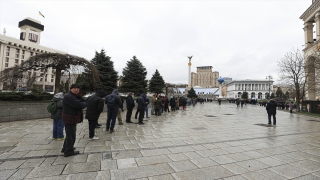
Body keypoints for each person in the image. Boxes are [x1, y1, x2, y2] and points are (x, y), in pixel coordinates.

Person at [61, 84, 86, 157]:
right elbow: (79, 105)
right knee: (71, 135)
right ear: (71, 89)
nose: (76, 90)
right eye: (75, 88)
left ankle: (66, 148)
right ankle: (68, 151)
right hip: (70, 118)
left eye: (78, 89)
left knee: (70, 134)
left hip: (71, 118)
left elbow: (83, 101)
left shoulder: (75, 96)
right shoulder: (69, 97)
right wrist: (84, 103)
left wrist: (81, 98)